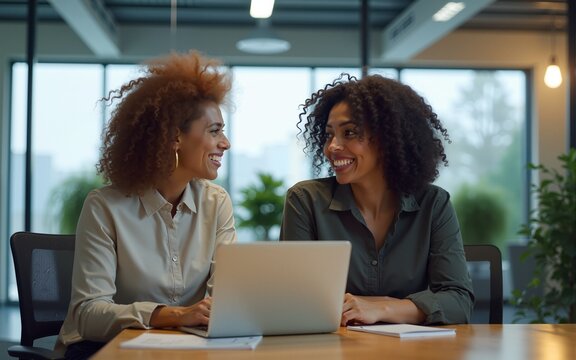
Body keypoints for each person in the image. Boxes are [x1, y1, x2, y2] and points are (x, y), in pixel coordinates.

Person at [56, 51, 236, 359]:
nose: (226, 143)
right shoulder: (105, 207)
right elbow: (87, 314)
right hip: (108, 349)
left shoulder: (216, 202)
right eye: (214, 130)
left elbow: (227, 296)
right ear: (174, 137)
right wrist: (173, 315)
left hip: (187, 350)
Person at [280, 73, 474, 326]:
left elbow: (459, 302)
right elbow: (291, 299)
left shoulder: (433, 204)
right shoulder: (305, 201)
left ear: (389, 139)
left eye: (349, 132)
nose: (332, 147)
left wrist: (381, 308)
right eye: (329, 135)